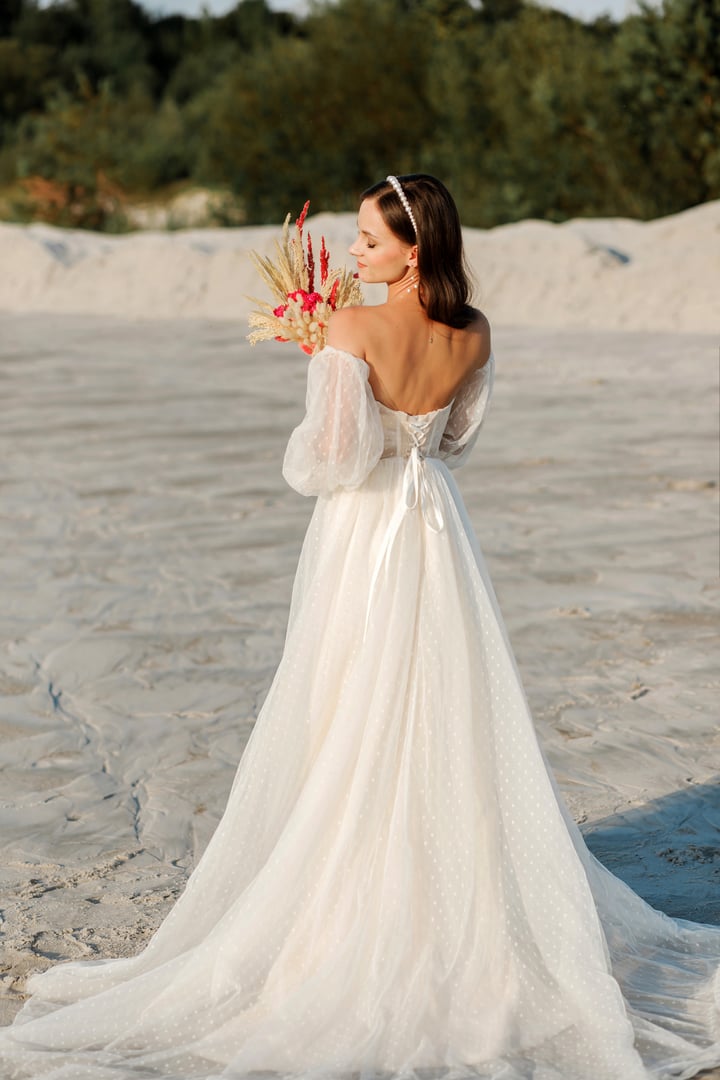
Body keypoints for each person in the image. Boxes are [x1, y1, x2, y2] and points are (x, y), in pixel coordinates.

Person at [1, 174, 719, 1080]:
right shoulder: (475, 332)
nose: (353, 253)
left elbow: (329, 463)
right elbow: (454, 443)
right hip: (436, 532)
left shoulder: (349, 329)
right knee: (442, 704)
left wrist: (324, 370)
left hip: (362, 533)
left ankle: (349, 901)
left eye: (370, 241)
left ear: (414, 251)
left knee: (345, 699)